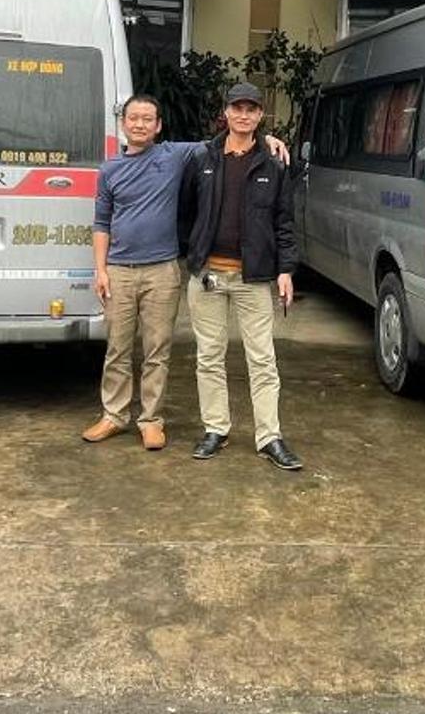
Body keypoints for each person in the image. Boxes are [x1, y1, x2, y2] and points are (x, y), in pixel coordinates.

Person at [84, 93, 284, 452]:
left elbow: (234, 138)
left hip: (163, 269)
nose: (140, 124)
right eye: (134, 118)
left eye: (148, 118)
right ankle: (113, 415)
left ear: (159, 125)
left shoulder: (176, 155)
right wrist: (100, 269)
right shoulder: (109, 169)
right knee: (117, 348)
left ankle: (151, 420)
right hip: (118, 270)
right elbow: (101, 222)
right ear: (123, 123)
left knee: (157, 349)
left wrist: (266, 138)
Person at [180, 82, 303, 473]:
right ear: (226, 112)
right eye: (237, 108)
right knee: (209, 356)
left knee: (262, 359)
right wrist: (195, 251)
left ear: (260, 115)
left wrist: (285, 269)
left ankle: (269, 436)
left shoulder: (274, 162)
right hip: (208, 276)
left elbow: (284, 221)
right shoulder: (203, 157)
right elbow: (186, 211)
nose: (243, 115)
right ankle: (215, 429)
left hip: (254, 278)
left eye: (251, 109)